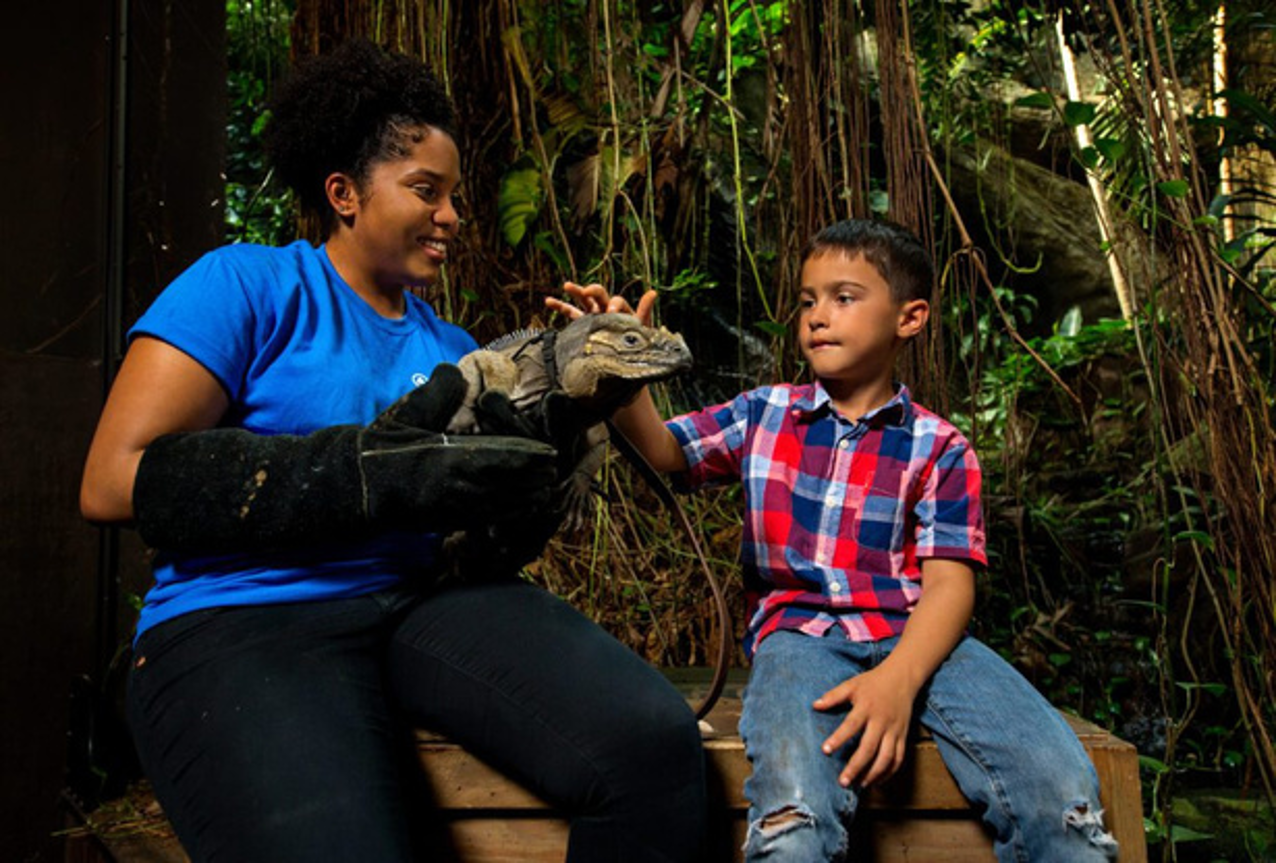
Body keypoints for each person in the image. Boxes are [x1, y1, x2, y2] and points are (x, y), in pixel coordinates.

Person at [79, 39, 706, 863]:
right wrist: (352, 472)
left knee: (651, 748)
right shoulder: (248, 285)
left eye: (454, 196)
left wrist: (565, 433)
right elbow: (111, 480)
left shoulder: (457, 349)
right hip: (247, 614)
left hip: (423, 602)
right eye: (425, 191)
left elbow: (483, 537)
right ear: (343, 193)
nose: (451, 216)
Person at [547, 218, 1120, 862]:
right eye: (807, 300)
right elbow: (662, 452)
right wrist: (618, 362)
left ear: (910, 317)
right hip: (799, 642)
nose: (818, 316)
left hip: (922, 636)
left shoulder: (942, 447)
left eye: (844, 298)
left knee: (1062, 796)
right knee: (793, 815)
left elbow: (950, 585)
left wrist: (899, 681)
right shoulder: (763, 414)